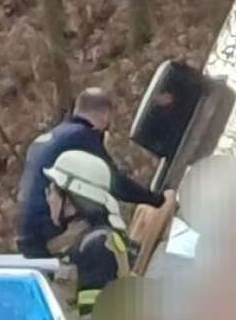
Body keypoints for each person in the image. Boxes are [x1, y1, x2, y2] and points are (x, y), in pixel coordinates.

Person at [18, 87, 167, 258]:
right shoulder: (82, 136)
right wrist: (157, 200)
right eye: (109, 119)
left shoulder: (53, 137)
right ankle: (125, 256)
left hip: (27, 236)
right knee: (96, 203)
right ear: (104, 115)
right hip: (50, 237)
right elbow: (114, 182)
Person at [44, 152, 137, 320]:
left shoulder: (96, 246)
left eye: (53, 190)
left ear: (73, 197)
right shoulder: (89, 243)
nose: (48, 197)